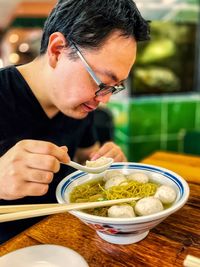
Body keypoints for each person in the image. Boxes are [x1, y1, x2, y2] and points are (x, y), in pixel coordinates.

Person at [0, 0, 150, 243]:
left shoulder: (79, 107)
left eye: (114, 87)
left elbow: (83, 157)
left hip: (69, 240)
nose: (105, 100)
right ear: (58, 50)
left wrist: (101, 163)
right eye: (102, 82)